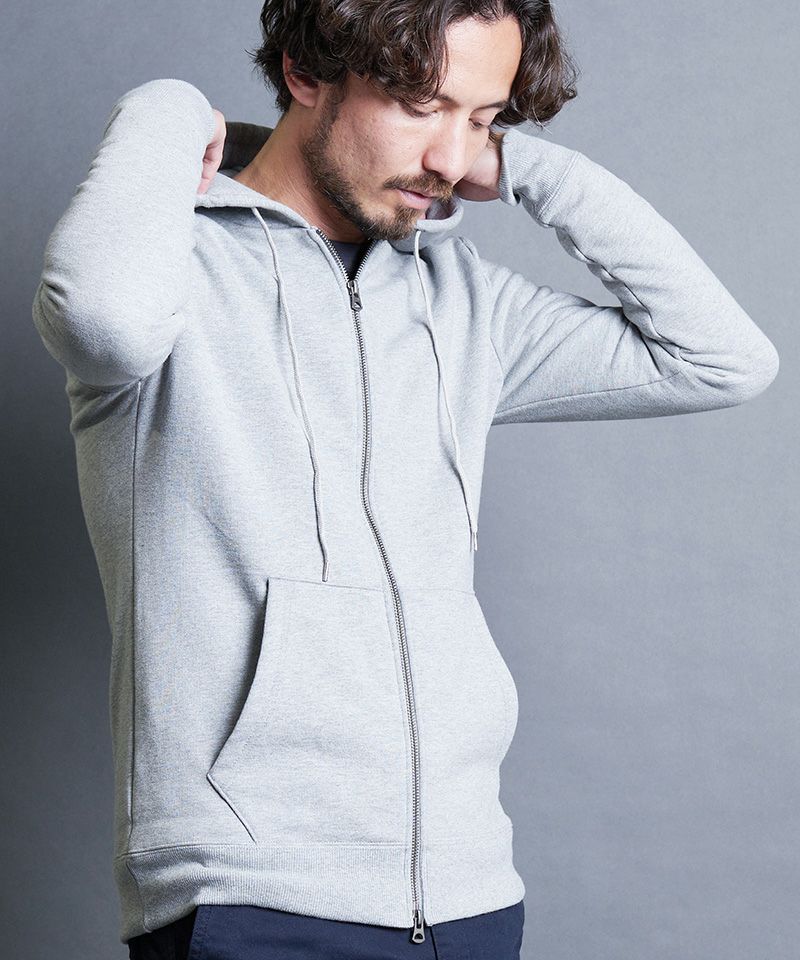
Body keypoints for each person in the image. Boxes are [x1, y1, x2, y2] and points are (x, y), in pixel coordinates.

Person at [31, 1, 779, 958]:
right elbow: (97, 322)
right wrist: (166, 110)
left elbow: (723, 360)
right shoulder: (172, 272)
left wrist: (528, 169)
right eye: (424, 106)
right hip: (251, 892)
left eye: (482, 119)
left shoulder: (463, 303)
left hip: (469, 892)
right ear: (307, 72)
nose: (450, 158)